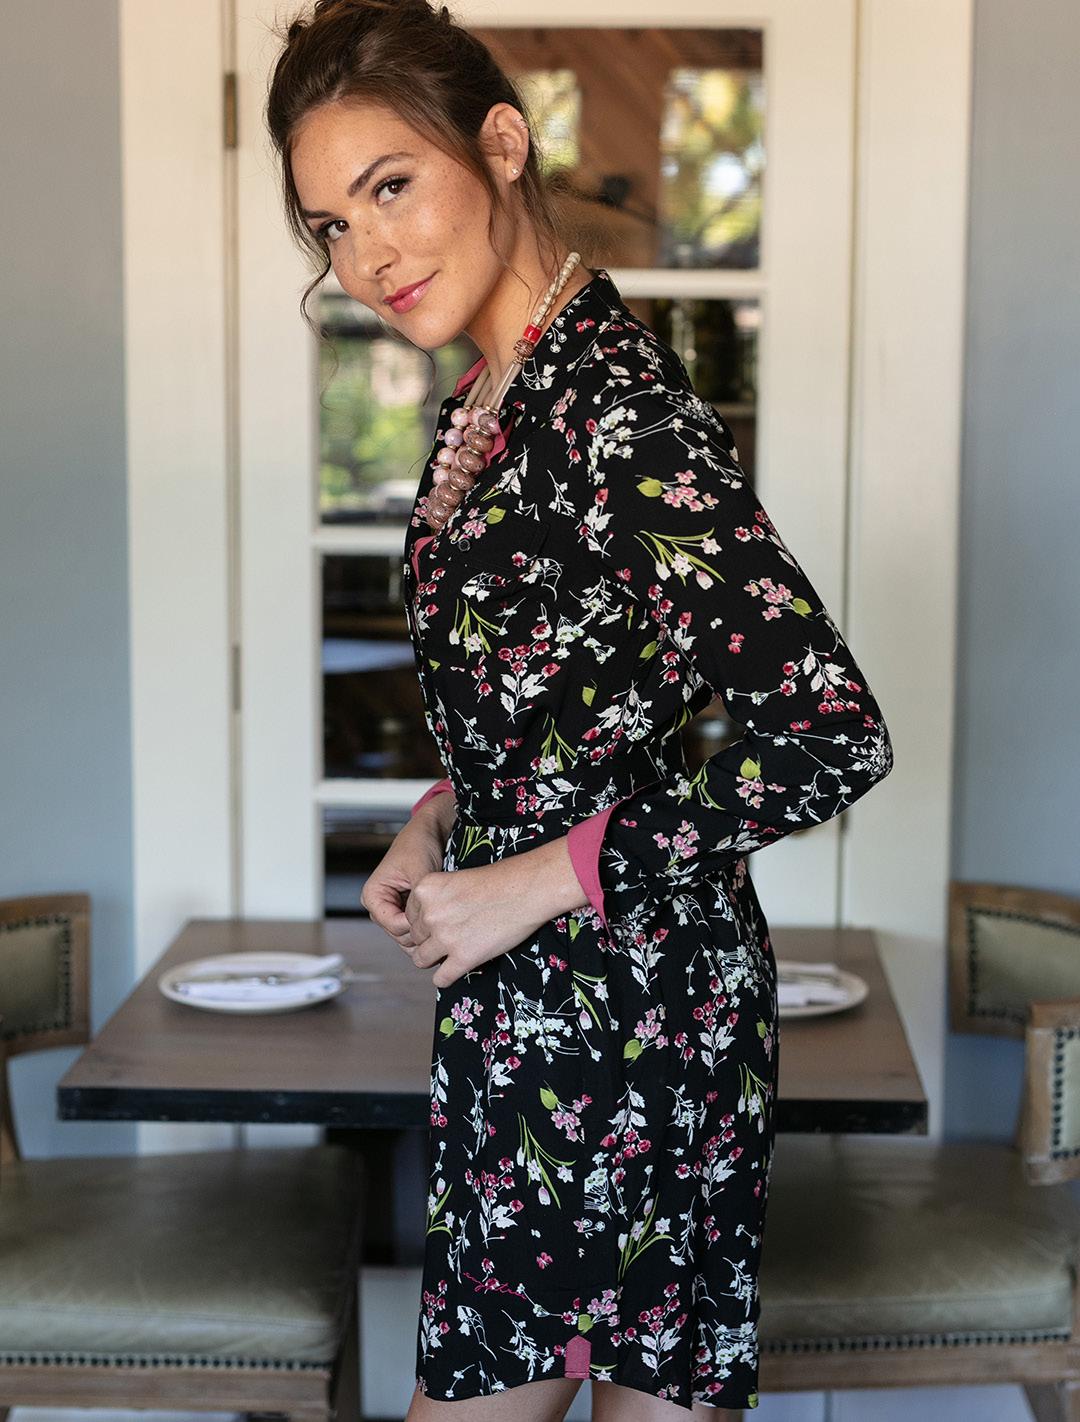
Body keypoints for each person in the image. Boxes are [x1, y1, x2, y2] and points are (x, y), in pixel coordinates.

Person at [267, 2, 895, 1416]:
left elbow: (832, 731)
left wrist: (532, 879)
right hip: (522, 1004)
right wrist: (441, 820)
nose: (366, 255)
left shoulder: (619, 411)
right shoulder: (491, 400)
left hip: (639, 1007)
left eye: (391, 187)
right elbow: (557, 702)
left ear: (502, 144)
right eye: (331, 224)